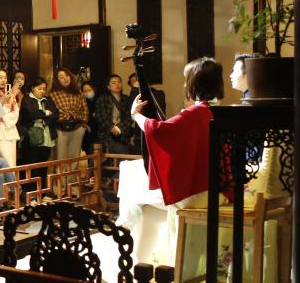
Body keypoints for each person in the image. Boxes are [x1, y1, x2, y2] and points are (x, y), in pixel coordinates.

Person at [131, 58, 225, 207]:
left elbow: (157, 130)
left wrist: (135, 115)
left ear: (195, 83)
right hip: (221, 188)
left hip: (200, 193)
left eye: (187, 79)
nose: (185, 84)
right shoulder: (217, 111)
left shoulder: (195, 113)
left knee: (132, 194)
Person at [49, 68, 89, 194]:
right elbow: (52, 113)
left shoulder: (78, 93)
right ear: (56, 80)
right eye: (61, 77)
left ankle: (73, 188)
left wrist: (82, 124)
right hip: (60, 128)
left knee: (74, 161)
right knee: (60, 161)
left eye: (67, 75)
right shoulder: (52, 94)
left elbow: (85, 110)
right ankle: (59, 190)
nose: (65, 78)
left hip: (77, 128)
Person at [20, 78, 59, 192]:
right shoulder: (27, 99)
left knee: (43, 166)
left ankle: (42, 192)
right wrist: (45, 113)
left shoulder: (48, 99)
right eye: (39, 88)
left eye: (44, 89)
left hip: (47, 137)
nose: (42, 91)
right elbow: (30, 113)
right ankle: (31, 193)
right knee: (32, 165)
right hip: (32, 138)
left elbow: (56, 114)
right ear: (33, 88)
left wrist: (43, 120)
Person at [92, 74, 136, 155]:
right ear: (108, 87)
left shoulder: (126, 99)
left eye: (119, 82)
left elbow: (130, 116)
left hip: (123, 134)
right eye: (113, 83)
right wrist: (111, 128)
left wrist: (119, 128)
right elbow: (100, 117)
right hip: (106, 135)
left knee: (128, 151)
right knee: (122, 151)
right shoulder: (102, 99)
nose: (117, 84)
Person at [0, 88, 21, 168]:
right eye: (0, 79)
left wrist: (3, 117)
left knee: (10, 161)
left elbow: (16, 113)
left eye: (5, 80)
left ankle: (11, 176)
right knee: (0, 159)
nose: (3, 81)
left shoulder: (11, 96)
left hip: (9, 129)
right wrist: (1, 101)